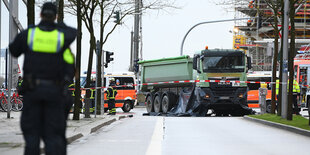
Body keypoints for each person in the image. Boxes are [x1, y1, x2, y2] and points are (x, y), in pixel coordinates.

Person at [9, 2, 77, 155]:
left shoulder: (30, 34)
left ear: (40, 15)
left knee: (32, 137)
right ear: (56, 17)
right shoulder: (61, 37)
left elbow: (14, 50)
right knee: (53, 136)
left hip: (32, 92)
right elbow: (70, 68)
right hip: (54, 93)